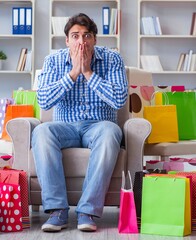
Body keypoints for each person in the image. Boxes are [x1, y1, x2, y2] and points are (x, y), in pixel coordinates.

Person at [31, 13, 128, 233]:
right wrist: (74, 73)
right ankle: (57, 211)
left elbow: (119, 99)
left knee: (111, 131)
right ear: (67, 40)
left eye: (87, 36)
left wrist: (88, 73)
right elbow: (44, 100)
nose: (81, 42)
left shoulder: (113, 59)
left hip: (99, 125)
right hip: (65, 128)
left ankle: (87, 211)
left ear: (95, 39)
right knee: (41, 132)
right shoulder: (53, 61)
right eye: (75, 36)